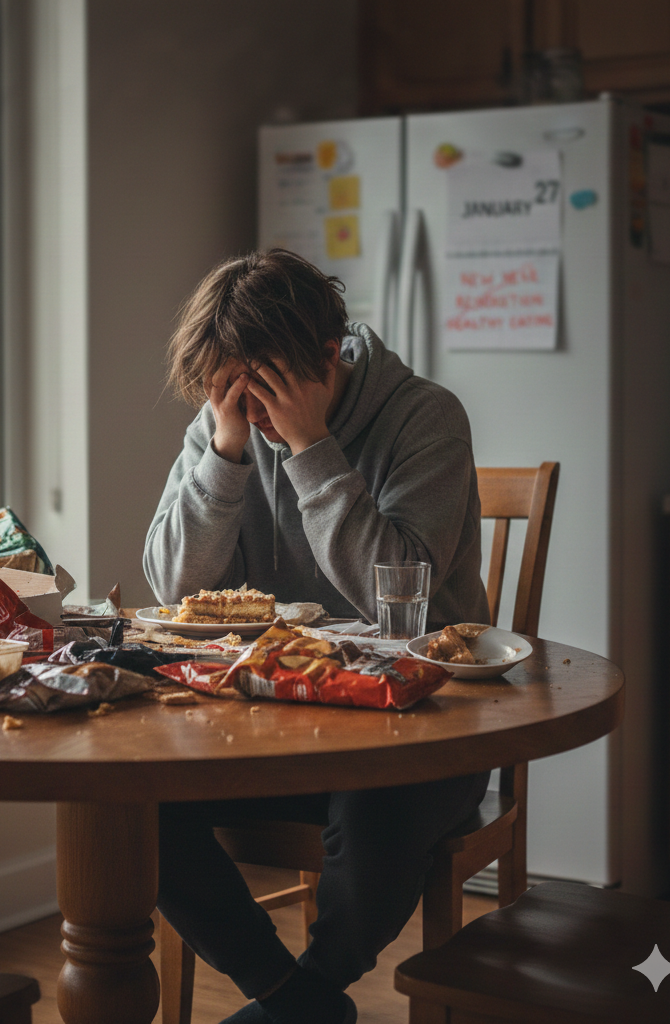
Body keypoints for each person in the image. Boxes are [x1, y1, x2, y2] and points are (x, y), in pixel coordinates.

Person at [143, 249, 491, 1024]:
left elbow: (402, 594)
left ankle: (305, 994)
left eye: (263, 392)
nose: (248, 412)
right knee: (131, 800)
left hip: (423, 727)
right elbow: (172, 586)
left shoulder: (426, 417)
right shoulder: (225, 423)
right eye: (227, 392)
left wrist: (310, 450)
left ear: (328, 359)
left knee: (374, 814)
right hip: (268, 723)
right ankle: (293, 1000)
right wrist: (226, 455)